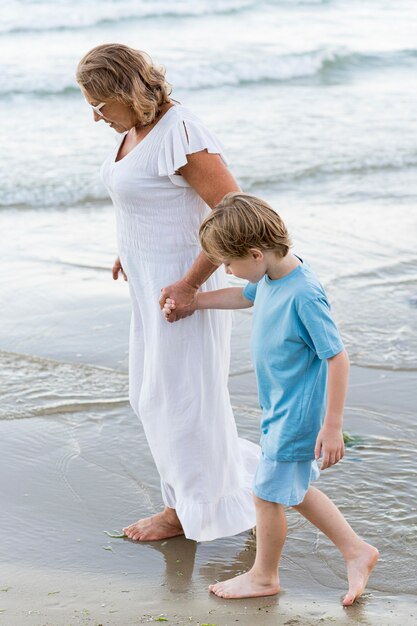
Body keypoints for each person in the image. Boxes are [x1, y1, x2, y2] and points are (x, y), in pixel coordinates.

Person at [76, 44, 259, 542]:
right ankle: (221, 486)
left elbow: (234, 212)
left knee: (176, 399)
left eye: (99, 105)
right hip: (152, 286)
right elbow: (148, 201)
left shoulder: (180, 130)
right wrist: (128, 248)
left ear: (123, 91)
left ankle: (184, 512)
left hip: (184, 292)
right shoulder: (135, 128)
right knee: (152, 395)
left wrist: (190, 284)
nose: (95, 118)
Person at [163, 193, 379, 605]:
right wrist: (198, 302)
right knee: (290, 491)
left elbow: (337, 358)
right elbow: (247, 295)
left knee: (265, 493)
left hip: (297, 413)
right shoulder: (271, 278)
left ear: (256, 253)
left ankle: (264, 576)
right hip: (279, 408)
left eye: (229, 263)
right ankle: (357, 551)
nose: (225, 271)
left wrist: (332, 427)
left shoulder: (304, 294)